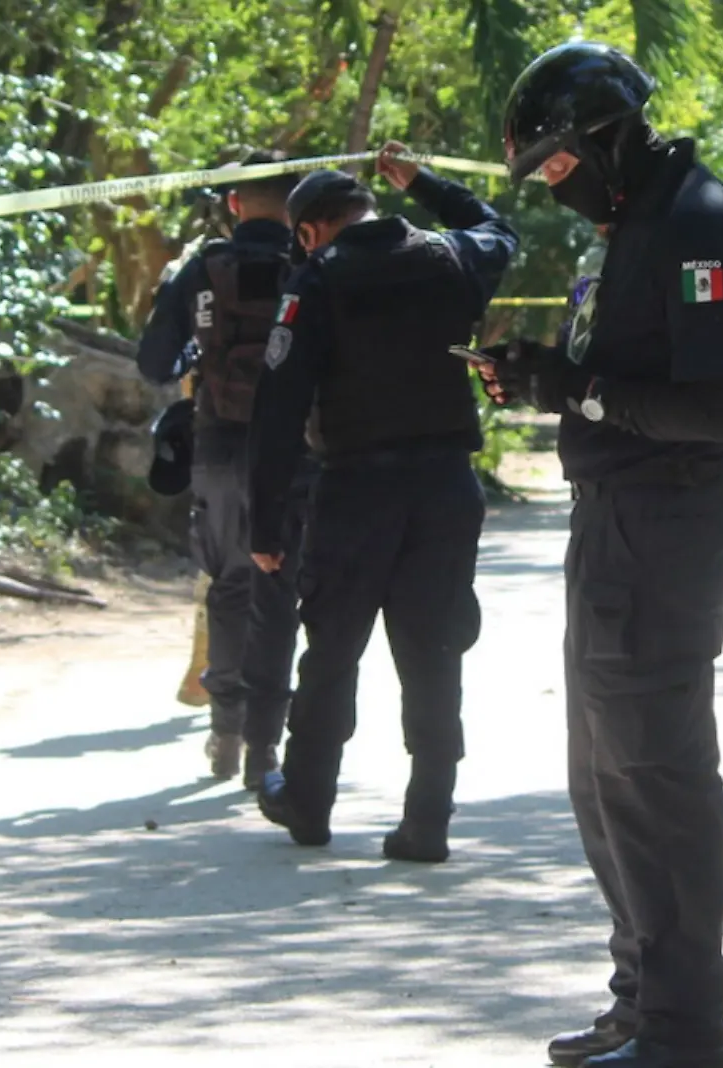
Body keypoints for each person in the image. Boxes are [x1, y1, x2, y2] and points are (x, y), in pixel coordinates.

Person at [493, 40, 723, 1068]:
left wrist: (571, 393)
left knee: (655, 777)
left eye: (558, 166)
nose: (555, 189)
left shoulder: (693, 220)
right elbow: (617, 366)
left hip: (665, 522)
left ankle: (688, 1030)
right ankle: (642, 998)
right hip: (610, 518)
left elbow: (713, 415)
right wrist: (542, 377)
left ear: (604, 135)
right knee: (603, 781)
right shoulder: (630, 225)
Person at [246, 144, 516, 864]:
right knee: (433, 654)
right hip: (445, 489)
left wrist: (265, 523)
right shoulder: (451, 256)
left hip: (357, 491)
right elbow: (499, 227)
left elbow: (278, 409)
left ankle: (307, 800)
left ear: (309, 230)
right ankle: (428, 817)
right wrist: (424, 182)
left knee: (332, 648)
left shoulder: (315, 281)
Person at [135, 149, 309, 791]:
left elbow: (155, 363)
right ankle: (271, 745)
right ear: (296, 206)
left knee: (231, 587)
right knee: (285, 592)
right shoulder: (312, 264)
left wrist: (199, 352)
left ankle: (227, 731)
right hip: (300, 451)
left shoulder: (203, 269)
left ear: (233, 203)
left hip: (222, 448)